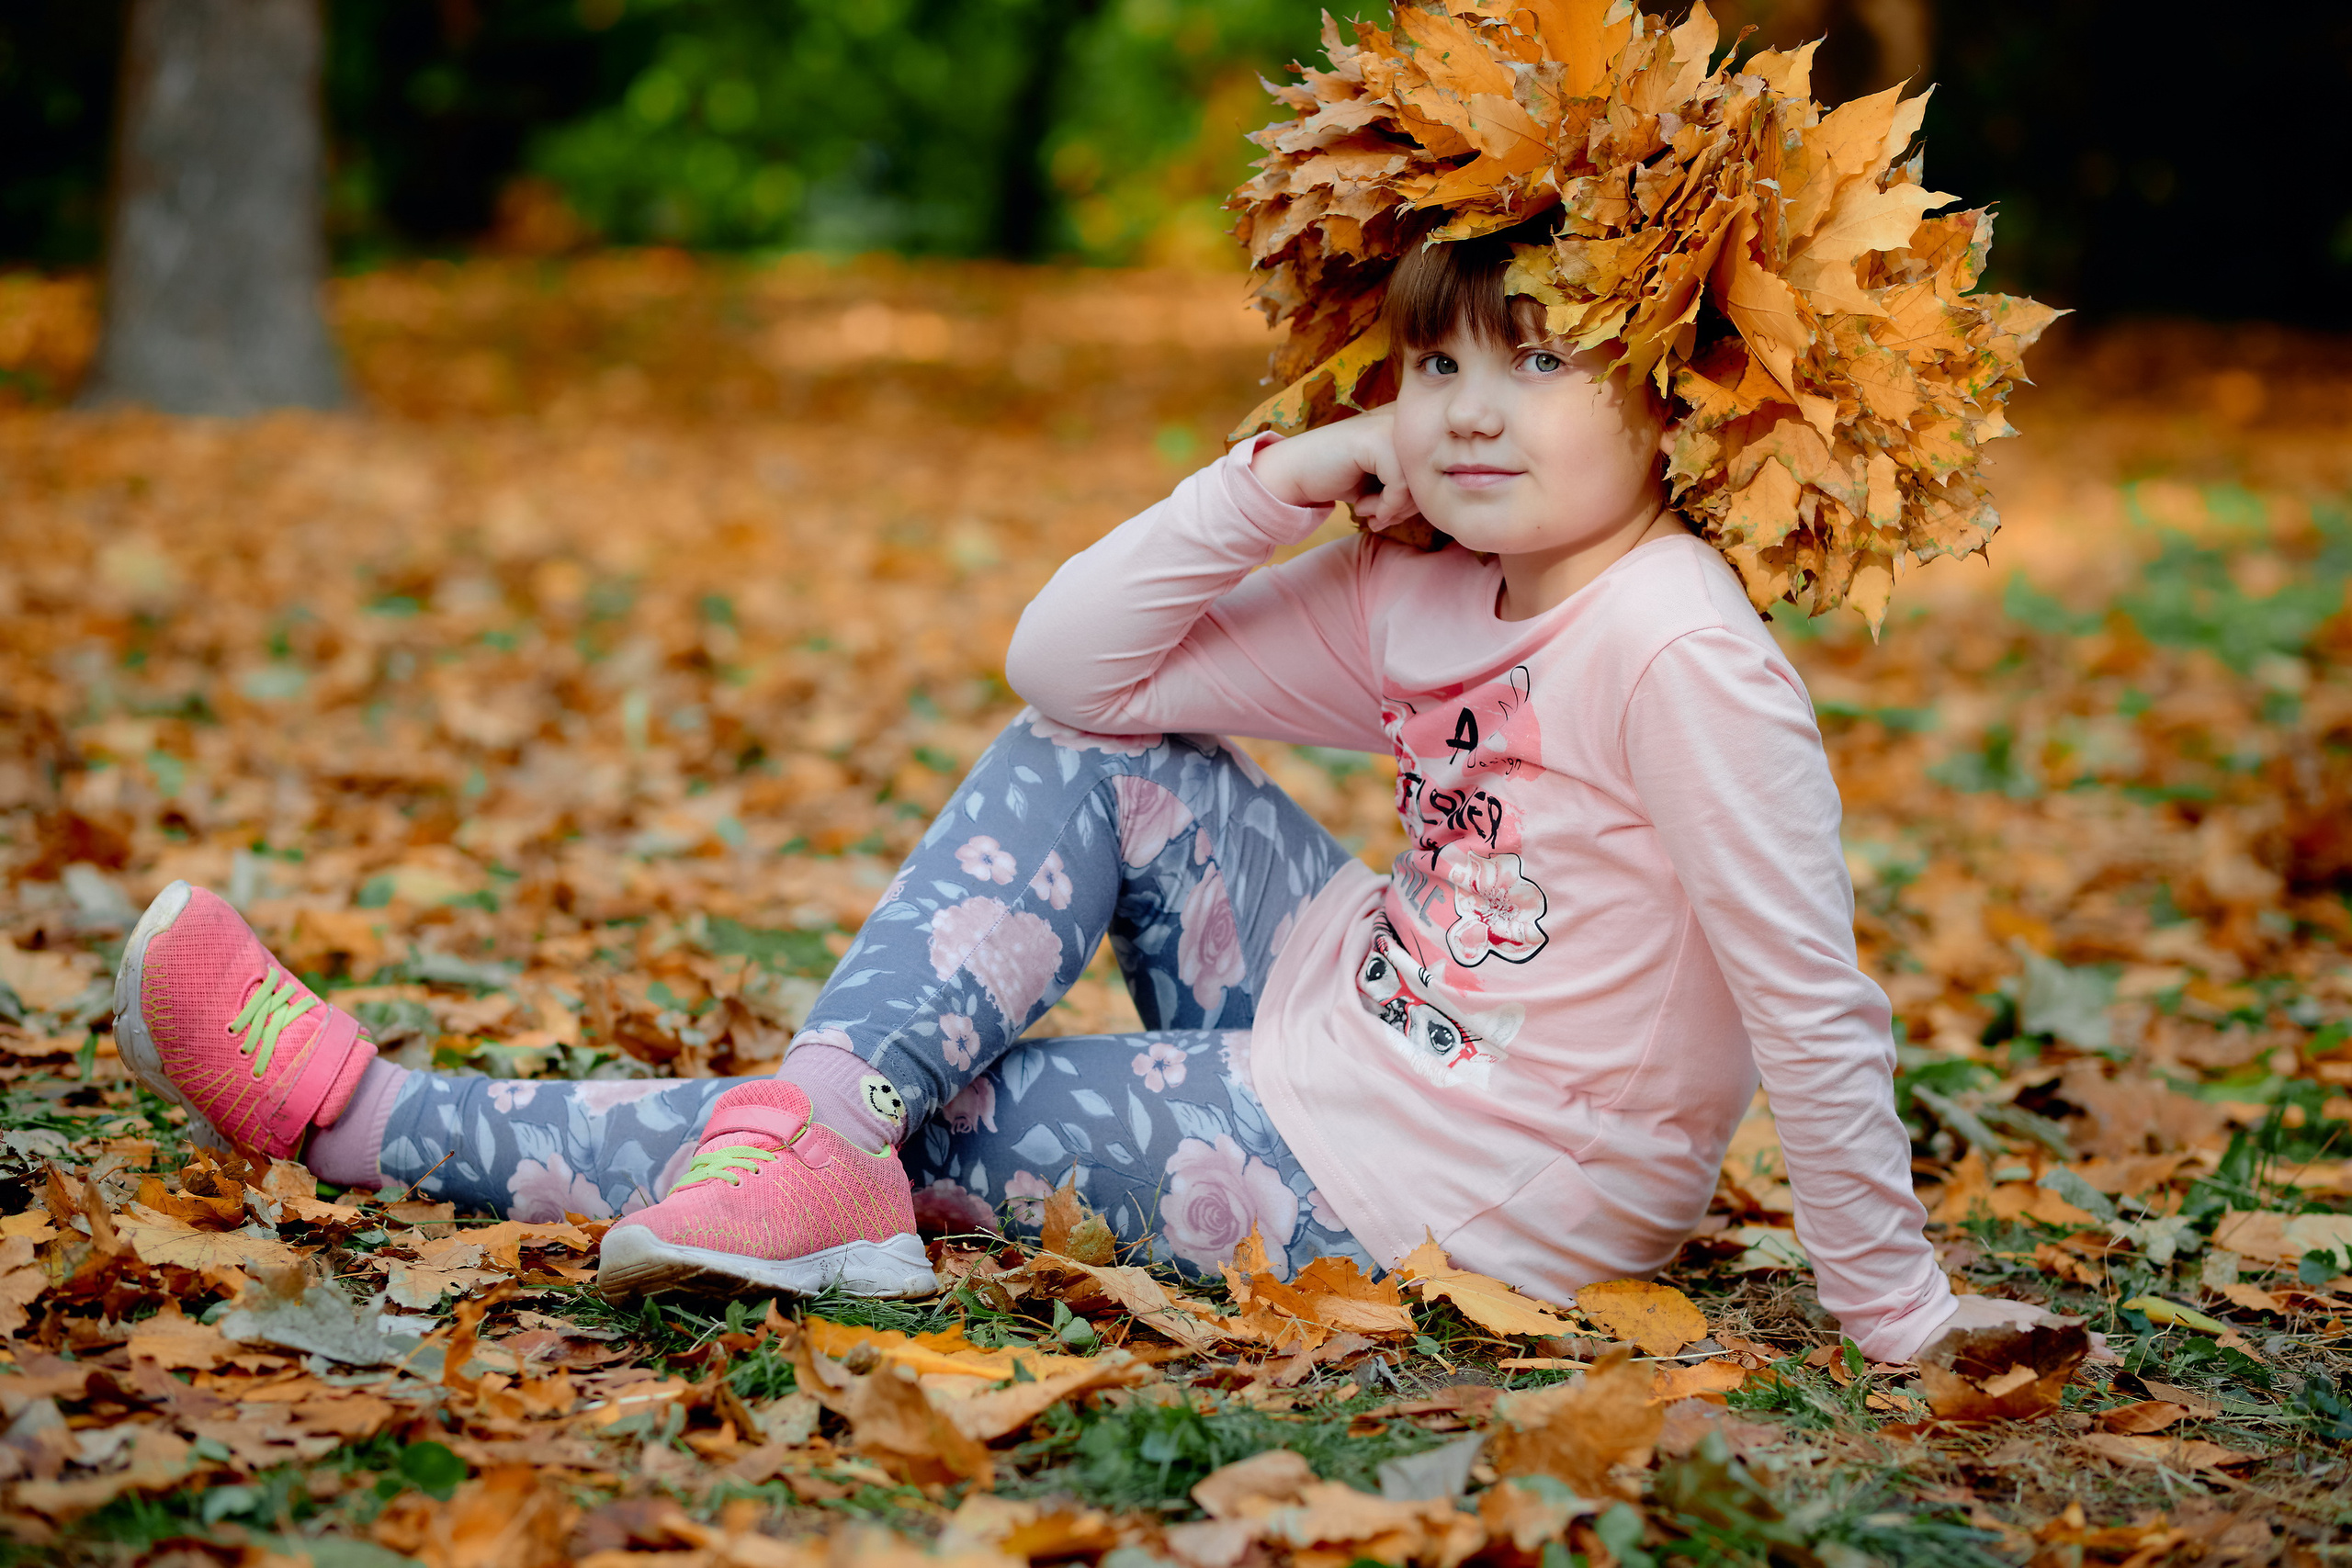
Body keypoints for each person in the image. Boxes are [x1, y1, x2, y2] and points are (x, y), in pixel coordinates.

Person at [110, 4, 2069, 1360]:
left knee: (936, 1123)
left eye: (1538, 360)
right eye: (1436, 364)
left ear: (1679, 387)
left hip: (1479, 1193)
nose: (1469, 412)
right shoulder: (1426, 590)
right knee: (1080, 771)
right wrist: (1282, 477)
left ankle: (372, 1120)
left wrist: (1889, 1301)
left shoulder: (1674, 648)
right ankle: (806, 1137)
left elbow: (1808, 983)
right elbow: (1076, 671)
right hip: (1350, 1027)